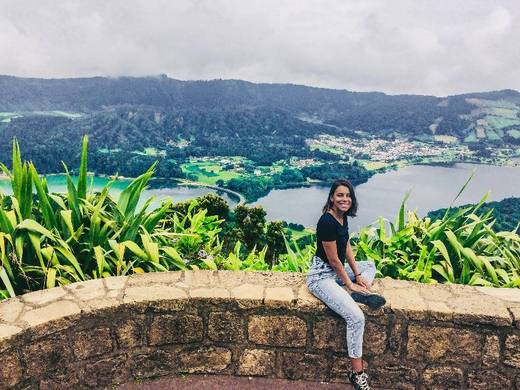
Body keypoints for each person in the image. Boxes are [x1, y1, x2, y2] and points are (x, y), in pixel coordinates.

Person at [306, 179, 385, 390]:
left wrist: (358, 275)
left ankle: (358, 293)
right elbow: (333, 260)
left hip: (337, 272)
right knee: (356, 317)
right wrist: (349, 283)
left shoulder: (342, 218)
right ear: (331, 197)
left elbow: (346, 245)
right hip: (321, 276)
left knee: (369, 265)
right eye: (340, 195)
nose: (345, 199)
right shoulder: (327, 222)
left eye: (348, 196)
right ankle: (357, 374)